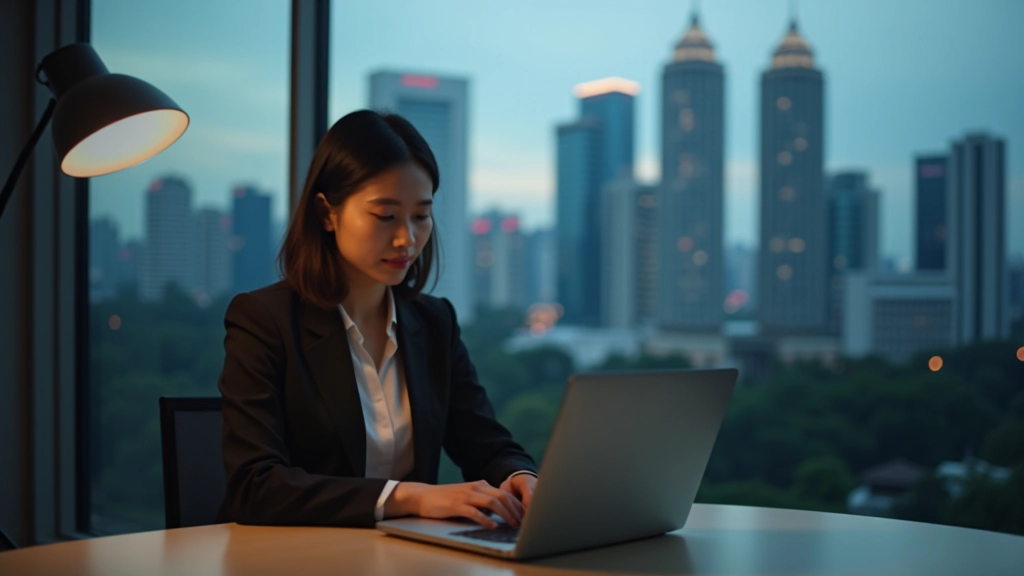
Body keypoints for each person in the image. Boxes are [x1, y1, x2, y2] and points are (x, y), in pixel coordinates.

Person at [217, 109, 537, 530]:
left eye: (421, 216)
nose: (406, 238)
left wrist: (521, 478)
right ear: (326, 213)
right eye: (385, 215)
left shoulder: (434, 322)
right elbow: (255, 487)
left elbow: (488, 446)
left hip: (406, 561)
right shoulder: (264, 321)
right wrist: (409, 497)